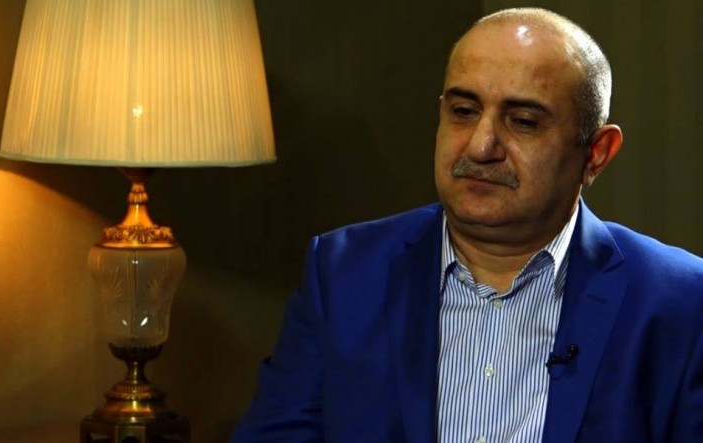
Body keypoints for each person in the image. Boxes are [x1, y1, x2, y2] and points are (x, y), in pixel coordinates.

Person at [232, 7, 703, 443]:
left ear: (596, 154)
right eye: (463, 112)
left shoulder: (680, 301)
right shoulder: (343, 273)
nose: (480, 146)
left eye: (523, 121)